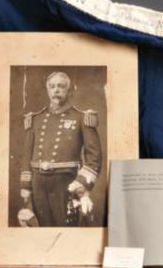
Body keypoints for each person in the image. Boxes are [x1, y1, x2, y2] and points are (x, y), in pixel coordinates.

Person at [19, 71, 102, 226]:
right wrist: (25, 186)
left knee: (67, 229)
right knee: (42, 228)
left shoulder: (81, 117)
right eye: (52, 86)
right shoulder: (36, 119)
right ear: (47, 90)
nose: (56, 90)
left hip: (66, 184)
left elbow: (94, 157)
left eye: (61, 86)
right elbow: (26, 156)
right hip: (38, 185)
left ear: (69, 91)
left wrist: (81, 183)